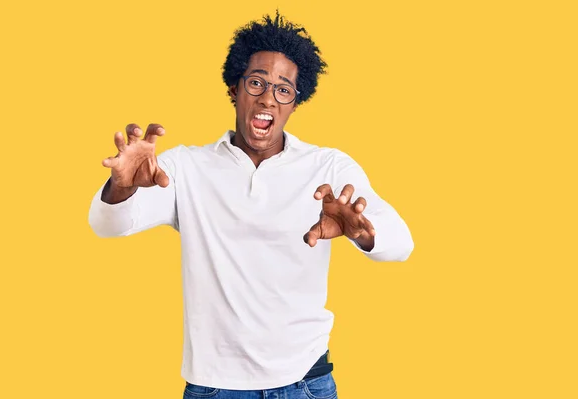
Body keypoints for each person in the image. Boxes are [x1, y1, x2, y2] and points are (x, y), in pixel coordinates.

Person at [88, 10, 414, 399]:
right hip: (214, 386)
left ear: (295, 102)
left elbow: (403, 244)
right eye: (256, 83)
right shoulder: (186, 167)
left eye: (283, 90)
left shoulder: (327, 166)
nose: (267, 99)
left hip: (305, 382)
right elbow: (107, 225)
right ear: (234, 89)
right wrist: (120, 186)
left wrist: (363, 232)